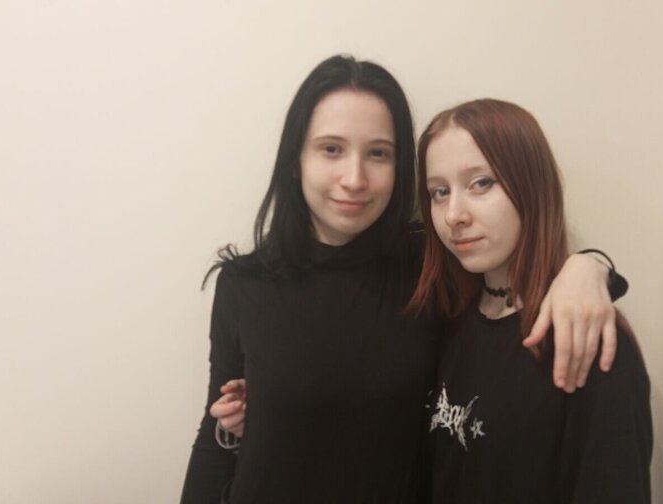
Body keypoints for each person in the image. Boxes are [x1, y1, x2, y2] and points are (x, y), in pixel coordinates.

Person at [180, 56, 625, 504]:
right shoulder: (244, 283)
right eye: (331, 149)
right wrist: (243, 421)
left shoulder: (431, 266)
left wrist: (588, 267)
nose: (354, 179)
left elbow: (509, 283)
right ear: (296, 159)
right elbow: (217, 436)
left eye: (378, 153)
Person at [409, 98, 652, 503]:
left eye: (481, 183)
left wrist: (589, 266)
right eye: (439, 192)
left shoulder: (587, 340)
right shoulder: (446, 320)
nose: (453, 214)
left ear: (531, 185)